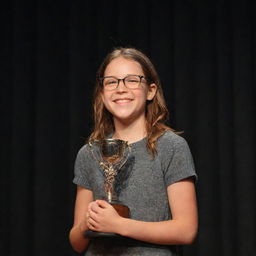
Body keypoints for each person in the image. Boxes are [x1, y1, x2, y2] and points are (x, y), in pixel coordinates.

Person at [69, 47, 198, 255]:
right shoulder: (89, 153)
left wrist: (118, 225)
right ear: (102, 93)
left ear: (151, 90)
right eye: (111, 81)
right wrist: (87, 224)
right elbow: (77, 242)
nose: (121, 88)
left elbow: (186, 230)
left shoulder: (172, 146)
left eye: (131, 80)